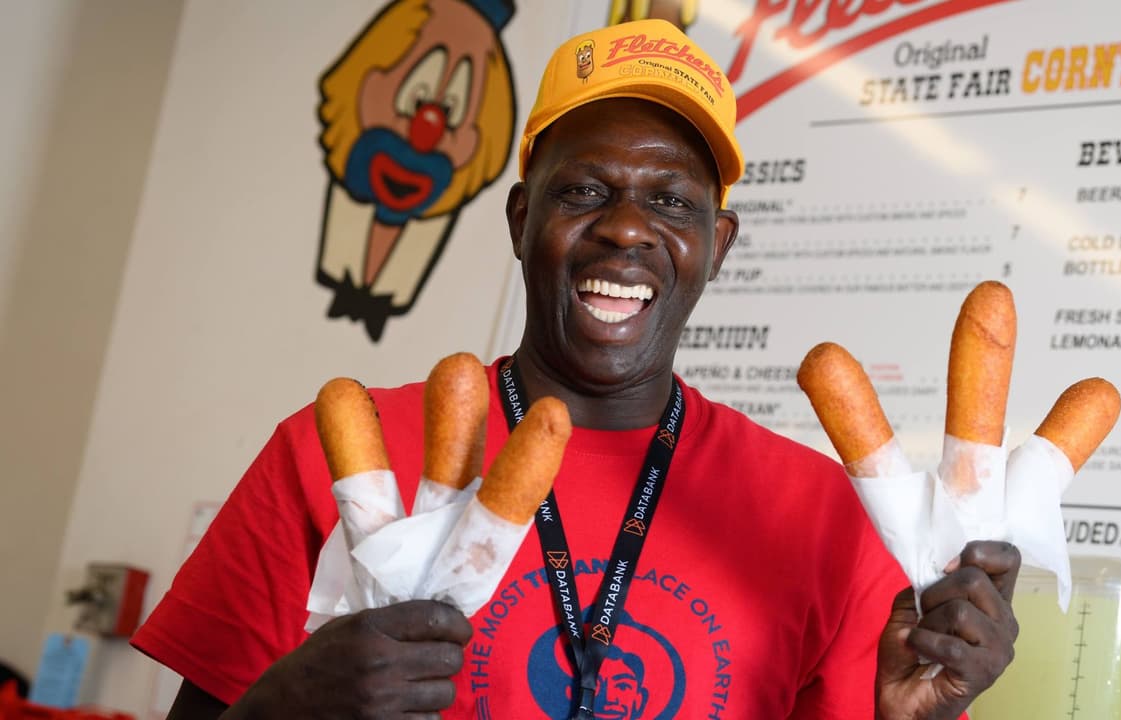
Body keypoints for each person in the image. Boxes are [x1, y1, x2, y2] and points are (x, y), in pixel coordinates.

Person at [134, 18, 1020, 719]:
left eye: (671, 200)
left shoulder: (826, 517)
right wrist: (282, 708)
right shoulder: (333, 458)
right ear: (522, 220)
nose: (627, 227)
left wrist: (920, 716)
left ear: (718, 245)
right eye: (585, 191)